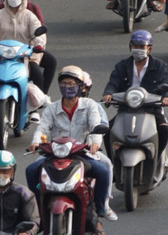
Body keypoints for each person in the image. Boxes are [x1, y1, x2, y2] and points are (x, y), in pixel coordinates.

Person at [26, 66, 117, 222]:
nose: (68, 88)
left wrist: (95, 143)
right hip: (55, 153)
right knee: (31, 170)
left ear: (80, 87)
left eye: (71, 84)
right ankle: (38, 208)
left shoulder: (89, 105)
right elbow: (42, 128)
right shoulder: (51, 108)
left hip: (82, 152)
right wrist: (35, 142)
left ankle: (103, 206)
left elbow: (96, 125)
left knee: (105, 168)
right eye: (64, 84)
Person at [102, 30, 168, 157]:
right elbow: (113, 82)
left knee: (164, 130)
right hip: (126, 108)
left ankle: (156, 158)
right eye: (135, 46)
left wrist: (167, 98)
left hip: (152, 108)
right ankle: (112, 162)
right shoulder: (122, 66)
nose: (138, 49)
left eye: (142, 47)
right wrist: (108, 93)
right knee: (108, 131)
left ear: (149, 49)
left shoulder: (160, 66)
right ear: (130, 47)